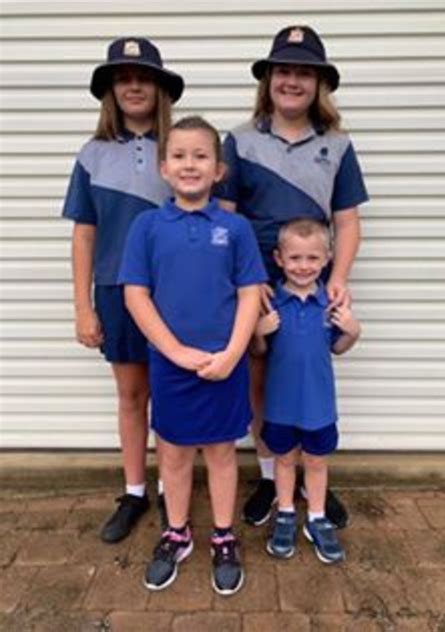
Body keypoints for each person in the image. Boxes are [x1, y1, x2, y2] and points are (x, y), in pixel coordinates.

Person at [215, 25, 369, 527]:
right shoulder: (237, 141)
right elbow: (226, 214)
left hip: (313, 278)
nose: (292, 81)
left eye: (304, 72)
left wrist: (338, 276)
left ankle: (312, 477)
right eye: (284, 70)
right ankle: (269, 476)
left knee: (310, 376)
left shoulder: (338, 146)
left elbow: (346, 221)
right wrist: (246, 277)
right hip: (256, 283)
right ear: (269, 78)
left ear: (319, 83)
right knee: (263, 379)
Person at [118, 116, 267, 595]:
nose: (190, 165)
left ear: (218, 169)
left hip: (224, 363)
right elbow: (136, 295)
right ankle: (176, 532)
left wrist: (232, 352)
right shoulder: (147, 226)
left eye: (201, 156)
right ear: (163, 168)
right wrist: (175, 350)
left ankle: (223, 536)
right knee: (175, 453)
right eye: (179, 156)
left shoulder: (236, 228)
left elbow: (249, 294)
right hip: (170, 365)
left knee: (223, 452)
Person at [62, 37, 184, 542]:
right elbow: (84, 234)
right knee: (132, 395)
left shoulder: (181, 149)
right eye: (122, 77)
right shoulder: (92, 155)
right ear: (111, 90)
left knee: (175, 397)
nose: (134, 85)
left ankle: (172, 490)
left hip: (176, 296)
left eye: (144, 77)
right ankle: (135, 491)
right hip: (115, 292)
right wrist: (82, 307)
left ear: (159, 88)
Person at [253, 218, 360, 562]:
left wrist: (353, 332)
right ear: (279, 258)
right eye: (295, 258)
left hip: (319, 406)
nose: (303, 266)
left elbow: (338, 349)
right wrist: (258, 331)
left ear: (328, 257)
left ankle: (316, 517)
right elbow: (258, 353)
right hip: (281, 405)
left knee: (316, 462)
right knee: (284, 460)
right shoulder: (271, 303)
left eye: (312, 258)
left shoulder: (331, 305)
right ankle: (285, 512)